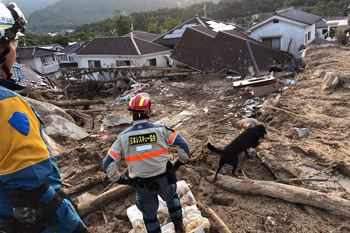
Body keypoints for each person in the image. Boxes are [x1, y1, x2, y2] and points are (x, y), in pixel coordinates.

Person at [0, 2, 89, 233]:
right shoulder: (7, 106)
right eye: (13, 42)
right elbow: (33, 198)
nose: (15, 50)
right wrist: (73, 227)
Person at [103, 93, 190, 233]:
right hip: (165, 180)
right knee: (172, 199)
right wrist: (177, 164)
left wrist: (122, 180)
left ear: (131, 113)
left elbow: (107, 164)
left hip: (142, 185)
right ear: (149, 111)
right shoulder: (162, 130)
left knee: (149, 216)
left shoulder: (122, 138)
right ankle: (179, 228)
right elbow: (184, 146)